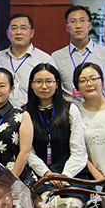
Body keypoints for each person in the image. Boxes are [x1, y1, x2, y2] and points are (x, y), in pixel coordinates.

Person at [25, 63, 88, 195]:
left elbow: (79, 151)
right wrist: (47, 173)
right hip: (39, 174)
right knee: (48, 201)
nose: (44, 86)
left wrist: (65, 176)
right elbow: (28, 152)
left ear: (57, 84)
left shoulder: (70, 109)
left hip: (72, 173)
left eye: (49, 81)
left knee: (72, 204)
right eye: (38, 82)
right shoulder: (24, 113)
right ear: (31, 84)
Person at [52, 5, 105, 103]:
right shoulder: (56, 57)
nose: (78, 26)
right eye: (73, 21)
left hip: (100, 109)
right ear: (67, 27)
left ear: (90, 25)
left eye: (82, 21)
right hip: (71, 110)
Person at [0, 14, 54, 107]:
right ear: (7, 33)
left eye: (23, 28)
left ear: (32, 33)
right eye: (14, 28)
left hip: (33, 112)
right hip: (2, 113)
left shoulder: (44, 59)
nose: (18, 32)